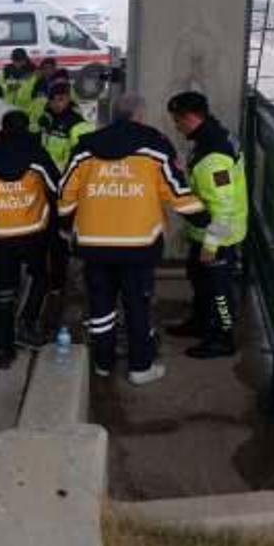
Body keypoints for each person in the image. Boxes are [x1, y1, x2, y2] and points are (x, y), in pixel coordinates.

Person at [57, 93, 210, 385]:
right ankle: (140, 368)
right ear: (140, 116)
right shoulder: (155, 147)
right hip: (139, 246)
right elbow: (176, 193)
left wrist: (66, 225)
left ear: (113, 115)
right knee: (137, 305)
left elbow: (65, 193)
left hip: (93, 245)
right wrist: (205, 219)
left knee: (101, 306)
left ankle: (103, 363)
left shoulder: (85, 148)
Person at [0, 110, 60, 366]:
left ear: (3, 128)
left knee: (4, 288)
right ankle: (27, 324)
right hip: (34, 231)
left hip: (2, 234)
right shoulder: (37, 156)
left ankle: (3, 348)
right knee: (39, 278)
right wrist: (60, 221)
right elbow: (56, 188)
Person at [166, 91, 248, 359]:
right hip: (204, 231)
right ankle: (200, 322)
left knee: (219, 291)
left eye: (177, 120)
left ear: (190, 117)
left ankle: (223, 338)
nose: (176, 126)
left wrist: (212, 245)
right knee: (199, 279)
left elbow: (223, 206)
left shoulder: (214, 157)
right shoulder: (209, 136)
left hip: (219, 236)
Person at [38, 80, 95, 299]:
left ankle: (77, 282)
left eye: (62, 99)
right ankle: (57, 283)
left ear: (68, 99)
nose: (58, 103)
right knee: (54, 238)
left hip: (68, 189)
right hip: (50, 187)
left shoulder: (77, 125)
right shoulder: (48, 120)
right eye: (54, 100)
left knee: (67, 238)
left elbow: (82, 160)